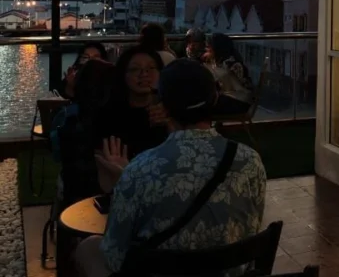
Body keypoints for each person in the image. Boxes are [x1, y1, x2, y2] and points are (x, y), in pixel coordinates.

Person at [74, 59, 266, 277]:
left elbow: (114, 255)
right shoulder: (250, 161)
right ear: (214, 99)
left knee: (87, 248)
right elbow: (251, 230)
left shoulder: (141, 169)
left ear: (163, 108)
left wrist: (124, 180)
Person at [51, 59, 116, 206]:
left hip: (73, 195)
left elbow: (56, 154)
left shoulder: (66, 116)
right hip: (106, 197)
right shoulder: (117, 120)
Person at [96, 46, 168, 166]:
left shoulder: (170, 110)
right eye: (135, 69)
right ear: (123, 74)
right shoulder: (109, 115)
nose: (144, 74)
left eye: (151, 68)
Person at [207, 33, 254, 115]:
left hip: (240, 102)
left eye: (209, 47)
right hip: (233, 98)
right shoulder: (224, 61)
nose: (207, 50)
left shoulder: (232, 63)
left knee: (206, 104)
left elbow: (222, 78)